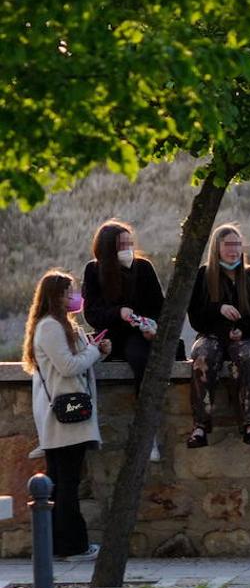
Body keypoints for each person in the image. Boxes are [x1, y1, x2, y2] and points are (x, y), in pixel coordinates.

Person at [23, 270, 111, 561]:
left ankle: (58, 545)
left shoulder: (59, 325)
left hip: (64, 416)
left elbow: (78, 360)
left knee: (61, 482)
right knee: (66, 483)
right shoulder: (50, 327)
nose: (73, 297)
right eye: (68, 292)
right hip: (65, 416)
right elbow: (69, 366)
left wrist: (97, 350)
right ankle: (73, 546)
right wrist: (95, 352)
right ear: (55, 296)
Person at [82, 219, 165, 462]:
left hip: (138, 335)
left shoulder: (144, 268)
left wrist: (151, 326)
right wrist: (117, 313)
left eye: (130, 243)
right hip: (110, 334)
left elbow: (159, 308)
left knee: (142, 360)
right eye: (122, 245)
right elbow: (92, 313)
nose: (128, 249)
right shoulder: (93, 271)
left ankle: (148, 434)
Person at [186, 224, 250, 448]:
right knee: (202, 355)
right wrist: (219, 310)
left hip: (245, 336)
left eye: (237, 244)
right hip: (212, 335)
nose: (234, 250)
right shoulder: (203, 276)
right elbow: (196, 317)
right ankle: (200, 426)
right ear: (217, 248)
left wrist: (242, 329)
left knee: (247, 355)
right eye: (228, 245)